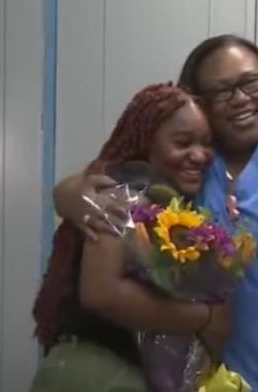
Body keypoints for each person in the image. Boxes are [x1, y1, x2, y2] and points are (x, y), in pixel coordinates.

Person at [54, 35, 258, 391]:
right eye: (222, 90)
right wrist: (74, 196)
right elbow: (106, 175)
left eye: (250, 82)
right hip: (213, 375)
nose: (240, 98)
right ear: (199, 101)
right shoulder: (192, 164)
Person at [30, 83, 228, 392]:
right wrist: (203, 317)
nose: (199, 155)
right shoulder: (122, 192)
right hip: (97, 372)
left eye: (206, 143)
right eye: (183, 142)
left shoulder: (166, 203)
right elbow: (102, 293)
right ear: (146, 142)